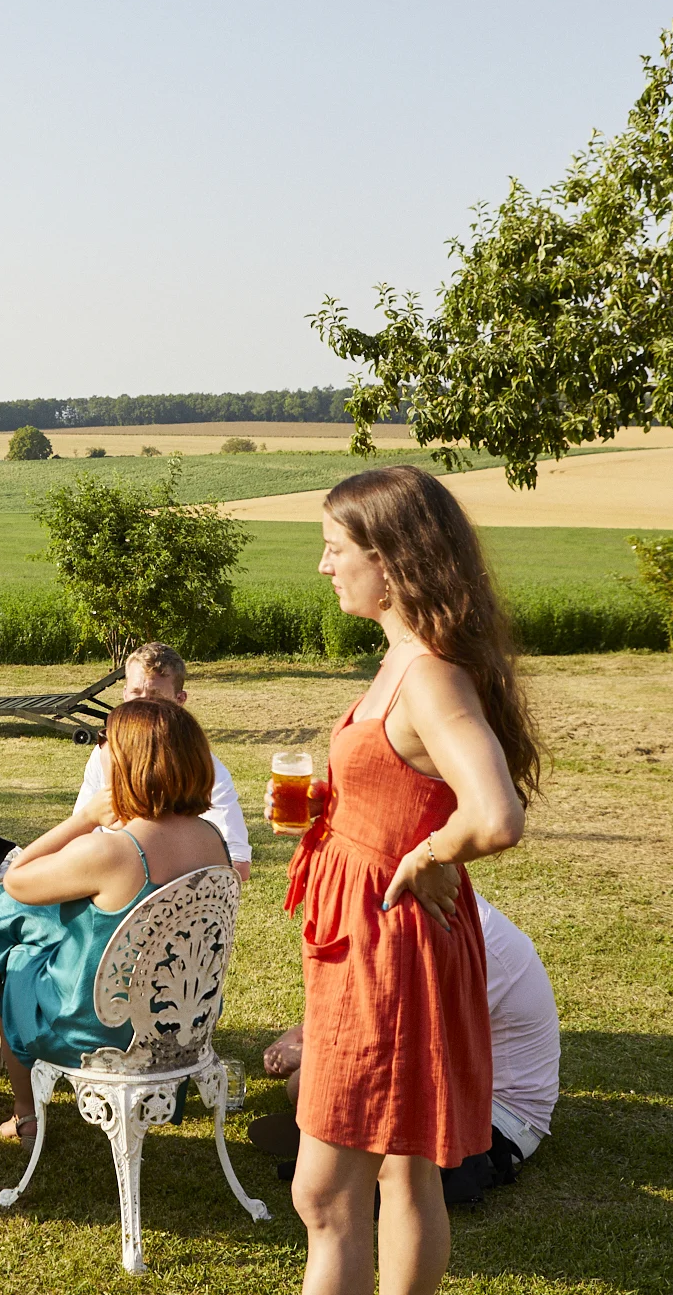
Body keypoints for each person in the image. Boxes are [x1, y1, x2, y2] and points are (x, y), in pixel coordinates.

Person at [275, 466, 540, 1295]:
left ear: (391, 561)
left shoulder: (428, 673)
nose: (324, 566)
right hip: (367, 939)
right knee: (401, 1169)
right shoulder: (405, 660)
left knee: (323, 1191)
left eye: (335, 549)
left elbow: (495, 814)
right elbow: (411, 784)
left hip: (389, 950)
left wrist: (426, 855)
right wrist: (343, 802)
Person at [0, 641, 253, 1121]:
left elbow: (16, 878)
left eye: (110, 747)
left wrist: (82, 821)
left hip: (106, 1024)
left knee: (14, 945)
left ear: (133, 764)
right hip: (178, 1018)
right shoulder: (208, 838)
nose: (103, 752)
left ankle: (10, 1103)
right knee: (10, 922)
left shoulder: (114, 848)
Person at [257, 896, 560, 1197]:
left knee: (317, 1082)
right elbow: (371, 1008)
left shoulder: (458, 937)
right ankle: (350, 1140)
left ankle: (350, 1144)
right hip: (467, 1088)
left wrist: (312, 1054)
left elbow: (397, 1044)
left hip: (503, 1119)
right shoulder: (429, 910)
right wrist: (303, 1034)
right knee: (315, 1081)